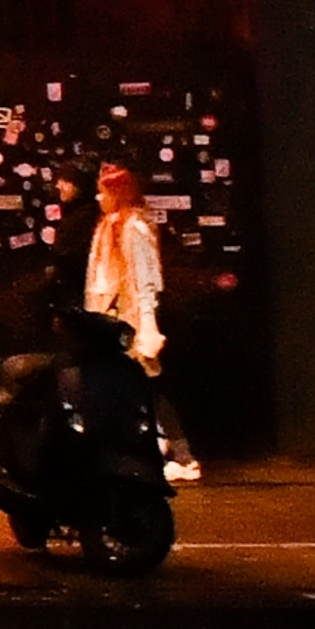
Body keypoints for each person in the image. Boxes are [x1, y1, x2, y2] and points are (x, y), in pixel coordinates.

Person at [83, 162, 200, 485]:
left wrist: (146, 323)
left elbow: (146, 279)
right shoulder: (111, 226)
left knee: (146, 389)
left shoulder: (133, 228)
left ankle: (182, 455)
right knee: (132, 390)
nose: (98, 197)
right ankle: (158, 449)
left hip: (129, 321)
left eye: (103, 191)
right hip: (114, 320)